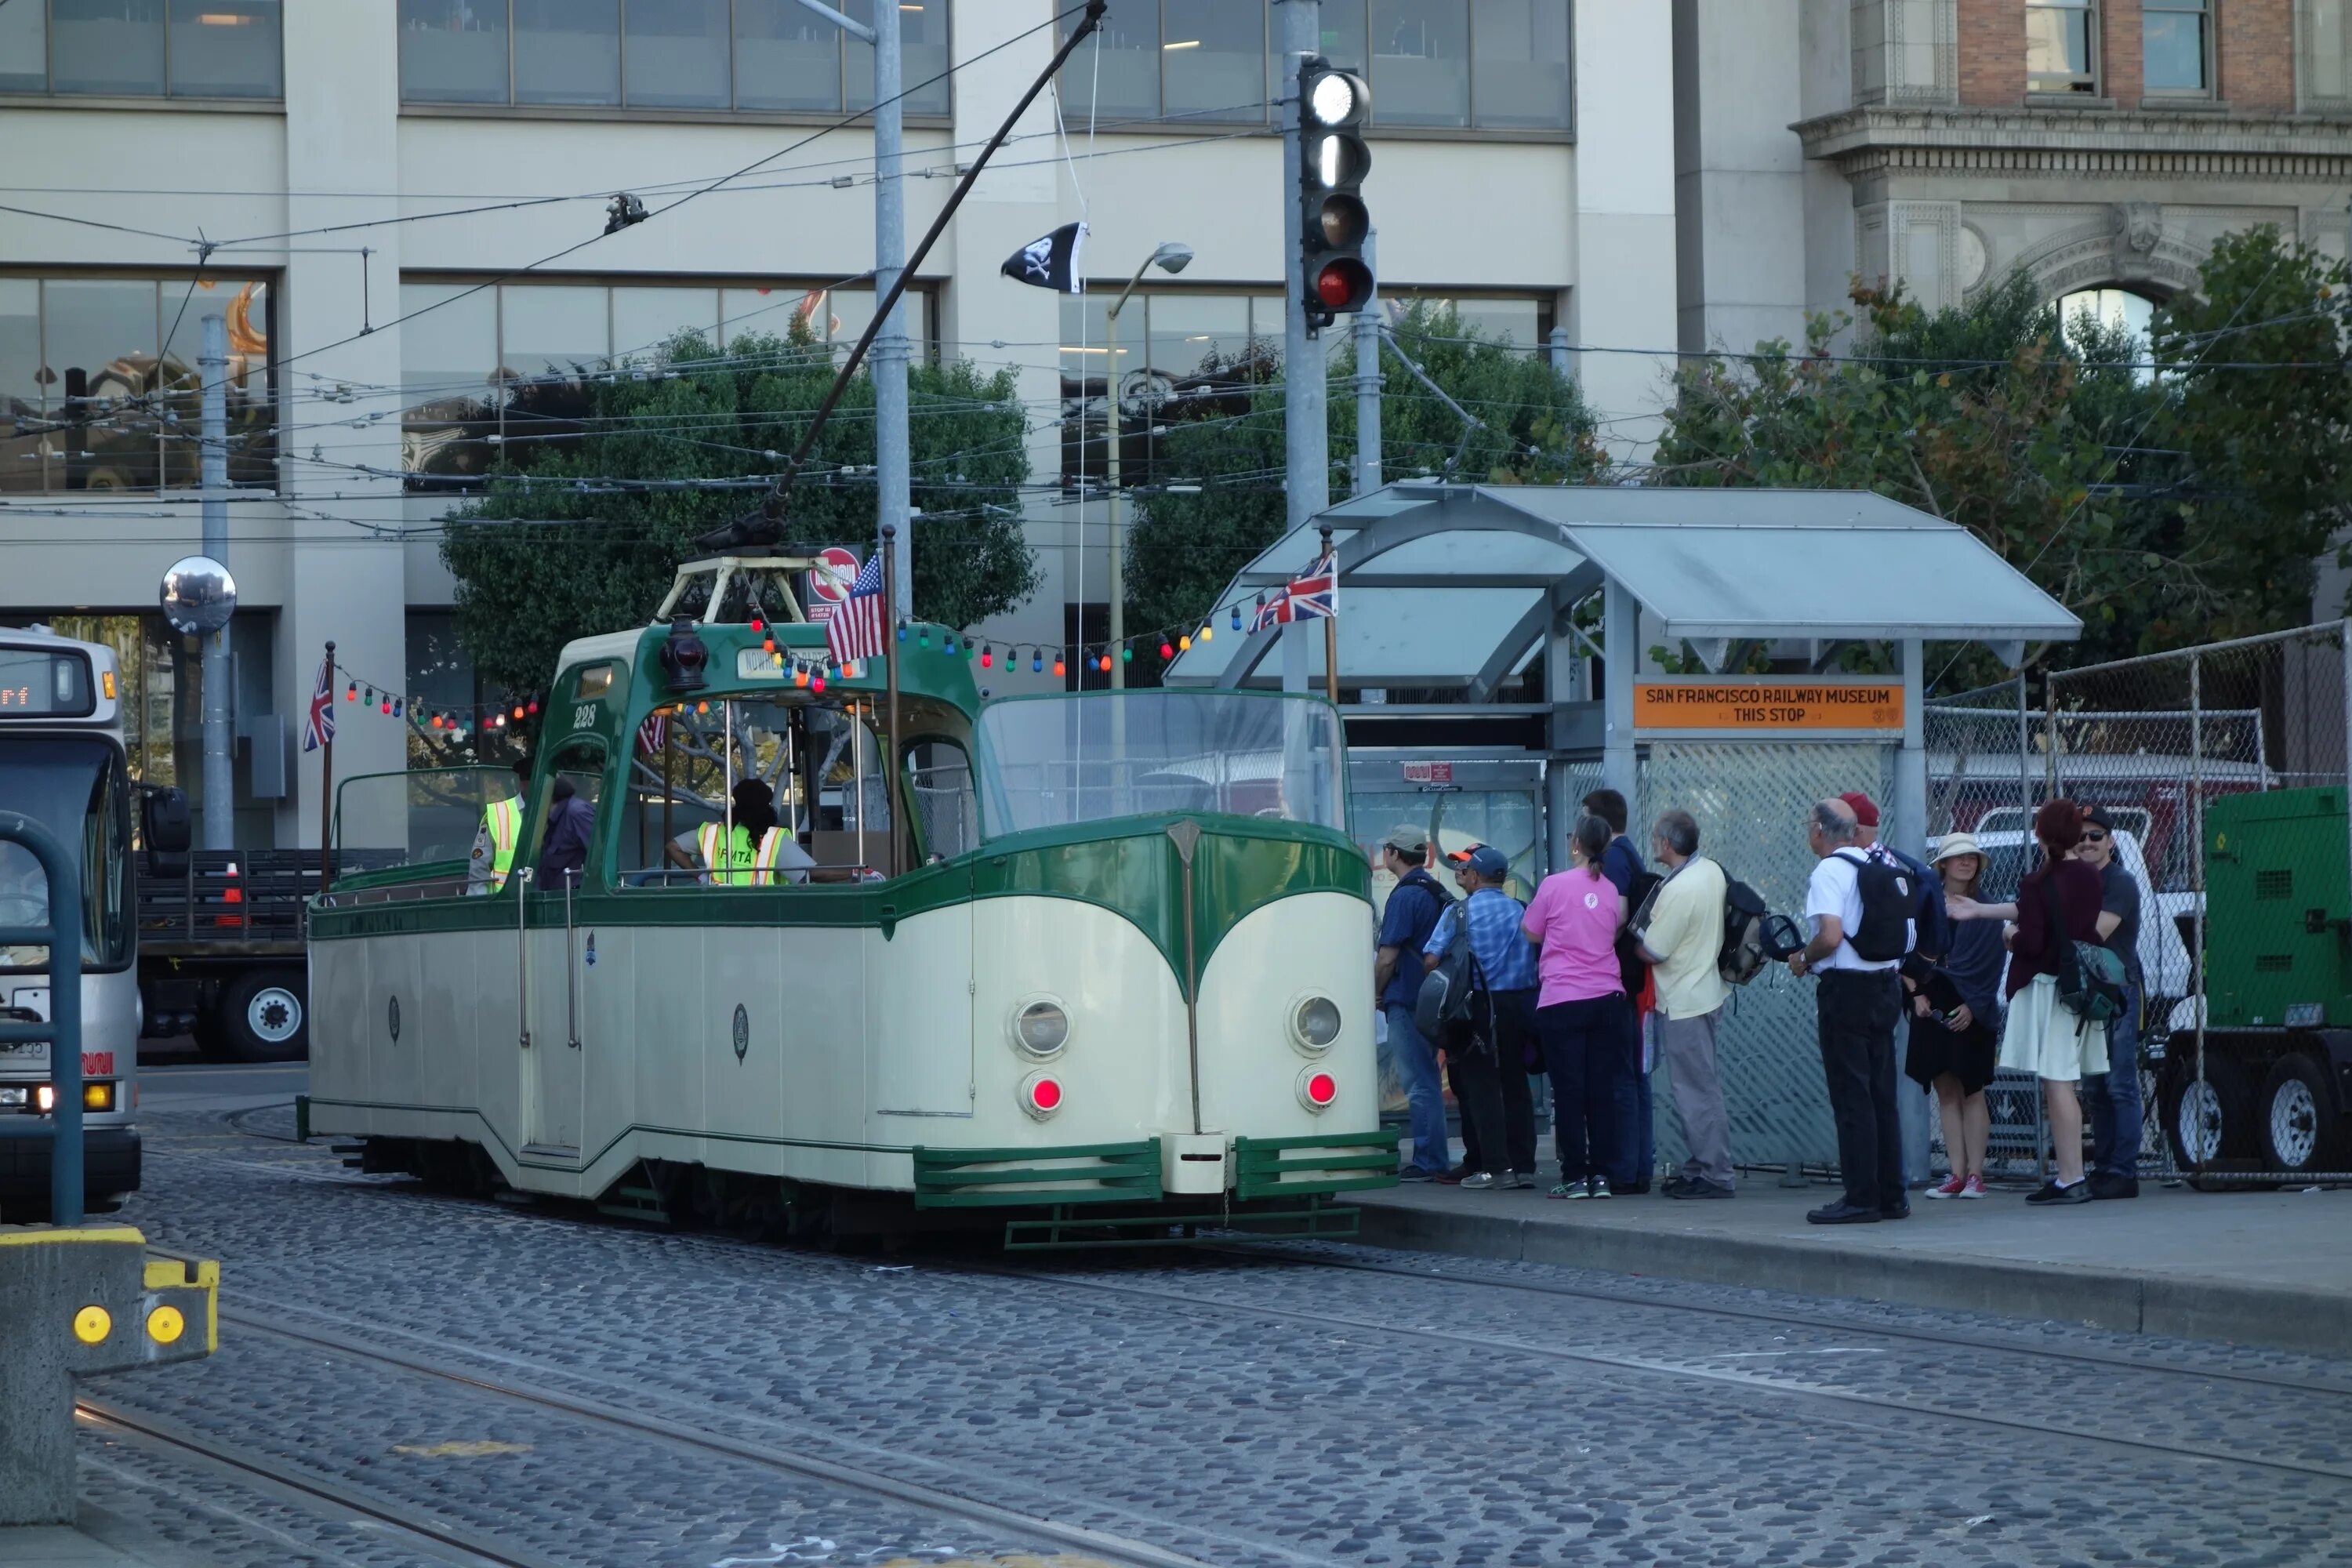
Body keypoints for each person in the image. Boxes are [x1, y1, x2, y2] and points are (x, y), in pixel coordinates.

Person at [1983, 798, 2109, 1205]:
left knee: (2057, 1083)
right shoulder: (2090, 877)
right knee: (2066, 1082)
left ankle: (2071, 1177)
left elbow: (2032, 940)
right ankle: (2071, 1175)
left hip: (2048, 990)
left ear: (2040, 834)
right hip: (2082, 990)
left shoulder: (2037, 882)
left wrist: (2008, 935)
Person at [1789, 797, 1906, 1225]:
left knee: (1852, 1096)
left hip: (1847, 991)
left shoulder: (1829, 870)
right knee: (1881, 1096)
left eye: (1808, 823)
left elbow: (1831, 935)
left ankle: (1861, 1196)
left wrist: (1803, 957)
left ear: (1819, 828)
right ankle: (1892, 1195)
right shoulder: (1874, 862)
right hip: (1886, 985)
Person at [1523, 815, 1632, 1200]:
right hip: (1607, 996)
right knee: (1600, 1090)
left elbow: (1532, 930)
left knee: (1569, 1091)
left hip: (1563, 998)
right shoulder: (1610, 889)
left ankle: (1574, 1176)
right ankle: (1602, 1175)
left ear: (1576, 844)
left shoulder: (1554, 885)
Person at [1422, 844, 1539, 1190]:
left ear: (1474, 876)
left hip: (1477, 1008)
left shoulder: (1460, 913)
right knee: (1517, 1084)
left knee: (1482, 1085)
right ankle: (1524, 1166)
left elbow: (1431, 958)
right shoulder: (1522, 910)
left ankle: (1495, 1168)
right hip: (1519, 1005)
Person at [1635, 809, 1733, 1199]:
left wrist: (1636, 946)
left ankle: (1716, 1174)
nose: (1654, 841)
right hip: (1706, 990)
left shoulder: (1679, 889)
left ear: (1668, 844)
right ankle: (1701, 1164)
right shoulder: (1710, 870)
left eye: (1657, 836)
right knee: (1699, 1086)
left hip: (1685, 1000)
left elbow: (1655, 950)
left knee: (1695, 1091)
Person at [1909, 833, 2002, 1200]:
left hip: (1971, 1003)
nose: (1966, 862)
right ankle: (1956, 1174)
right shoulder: (1925, 904)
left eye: (1972, 857)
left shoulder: (1987, 908)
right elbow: (1905, 952)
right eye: (1958, 857)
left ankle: (1977, 1175)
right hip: (1930, 1000)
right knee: (1945, 1089)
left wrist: (1973, 1006)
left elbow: (1992, 966)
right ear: (1942, 865)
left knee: (1972, 1088)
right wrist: (1916, 994)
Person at [1582, 787, 1655, 1192]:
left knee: (1622, 1081)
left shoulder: (1612, 860)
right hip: (1634, 981)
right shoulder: (1631, 854)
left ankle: (1624, 1171)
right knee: (1634, 1078)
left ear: (1600, 822)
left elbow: (1616, 918)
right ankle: (1639, 1166)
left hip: (1619, 982)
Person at [1375, 825, 1454, 1181]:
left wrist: (1376, 992)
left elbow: (1388, 957)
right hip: (1434, 999)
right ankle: (1433, 1157)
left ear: (1393, 853)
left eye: (1386, 848)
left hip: (1407, 999)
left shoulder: (1405, 897)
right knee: (1428, 1080)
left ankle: (1428, 1161)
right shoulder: (1436, 890)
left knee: (1419, 1082)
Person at [2076, 808, 2143, 1200]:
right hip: (2085, 993)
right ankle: (2104, 1169)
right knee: (2094, 1087)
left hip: (2118, 991)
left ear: (2111, 841)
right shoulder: (2073, 882)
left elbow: (2097, 932)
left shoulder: (2120, 882)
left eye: (2095, 835)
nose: (2087, 842)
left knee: (2120, 1083)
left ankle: (2124, 1171)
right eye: (2081, 837)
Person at [666, 778, 815, 886]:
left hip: (717, 909)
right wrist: (840, 873)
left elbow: (673, 847)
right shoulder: (774, 839)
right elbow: (810, 874)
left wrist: (702, 878)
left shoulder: (713, 833)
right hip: (760, 912)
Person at [468, 755, 532, 895]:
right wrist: (479, 907)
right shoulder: (498, 814)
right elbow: (479, 870)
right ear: (522, 783)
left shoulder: (555, 809)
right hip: (505, 902)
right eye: (528, 779)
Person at [535, 775, 597, 887]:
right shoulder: (556, 818)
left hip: (572, 897)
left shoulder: (577, 813)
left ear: (547, 797)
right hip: (557, 895)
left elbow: (599, 854)